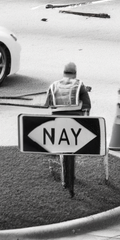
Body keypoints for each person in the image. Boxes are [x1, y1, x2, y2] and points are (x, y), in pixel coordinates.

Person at [45, 62, 91, 197]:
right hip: (75, 125)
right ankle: (71, 179)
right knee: (73, 150)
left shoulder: (53, 85)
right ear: (75, 73)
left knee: (62, 150)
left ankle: (65, 181)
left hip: (58, 125)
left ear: (63, 73)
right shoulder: (79, 85)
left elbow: (47, 104)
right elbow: (87, 106)